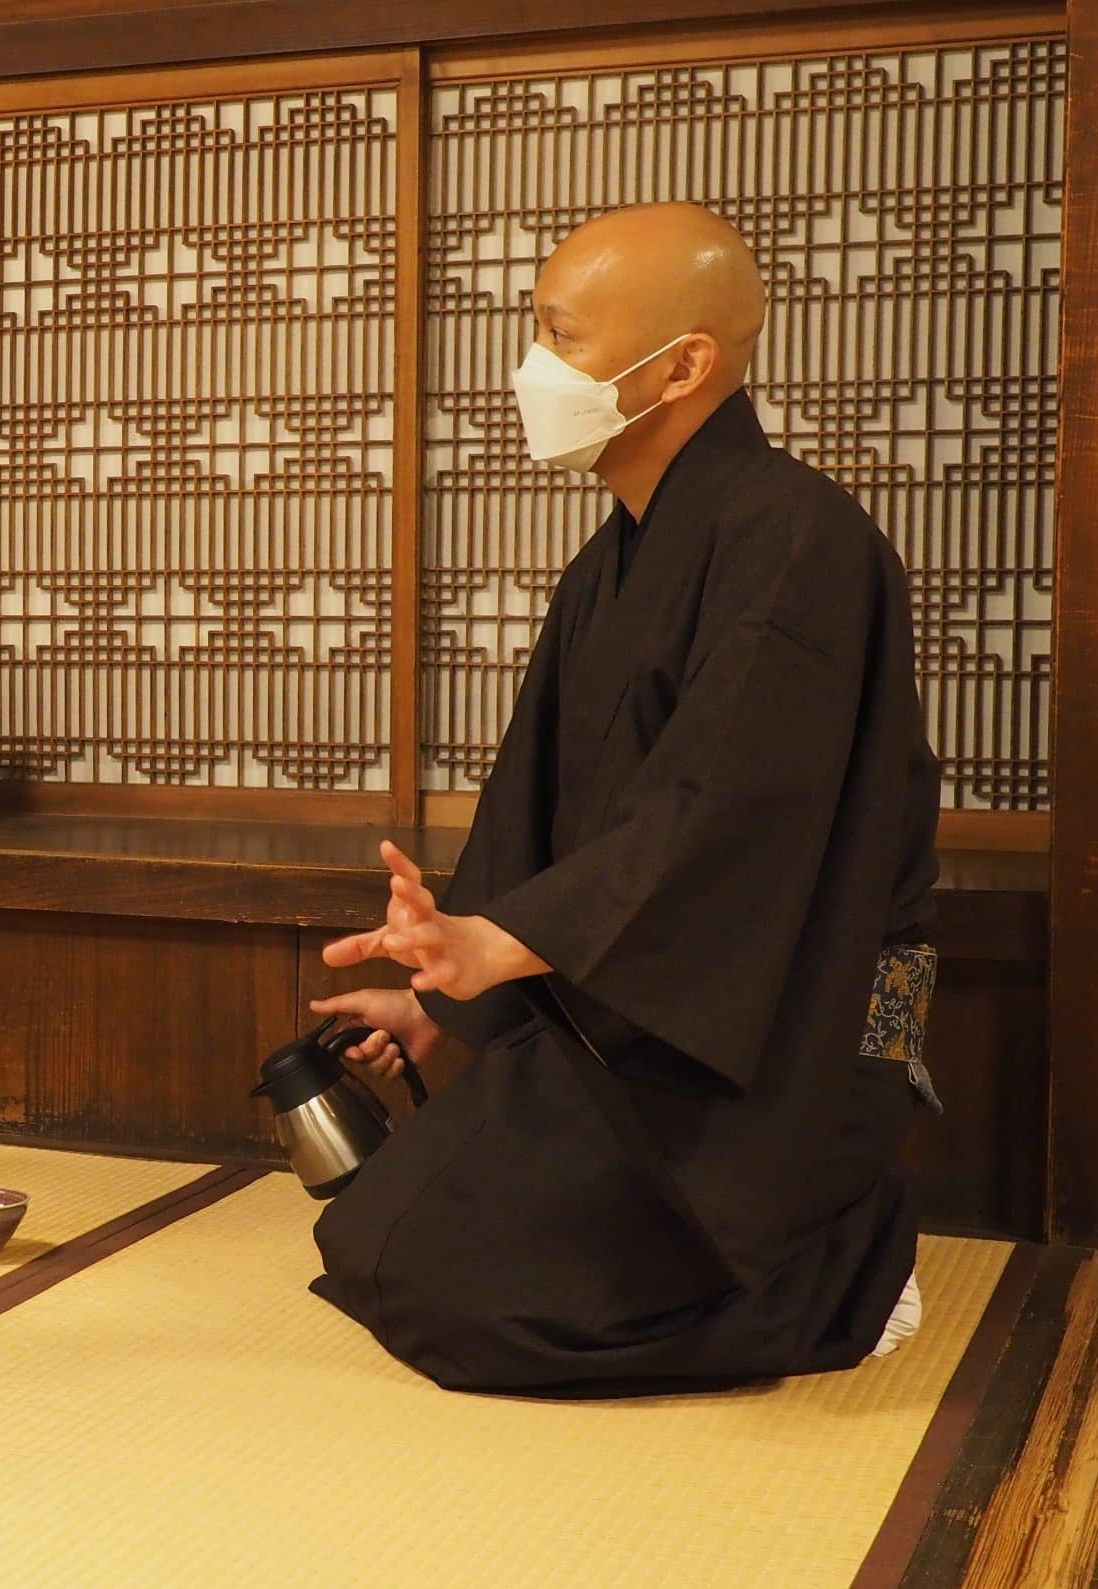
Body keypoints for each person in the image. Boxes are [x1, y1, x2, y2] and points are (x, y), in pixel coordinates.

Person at [307, 202, 938, 1398]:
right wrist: (457, 994)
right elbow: (540, 800)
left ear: (685, 363)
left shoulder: (801, 539)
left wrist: (505, 940)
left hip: (779, 1035)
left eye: (563, 336)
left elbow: (730, 815)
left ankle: (843, 1258)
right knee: (377, 1240)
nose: (534, 371)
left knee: (489, 1301)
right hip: (630, 1012)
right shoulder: (609, 561)